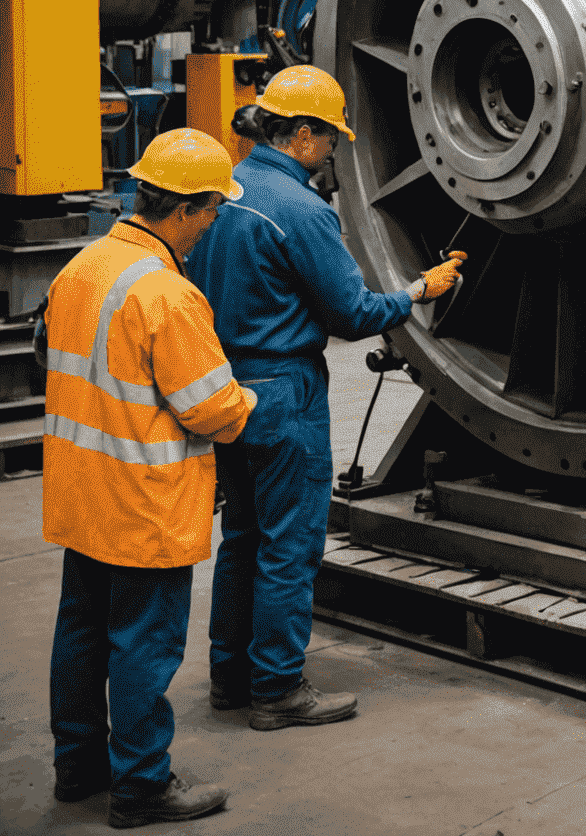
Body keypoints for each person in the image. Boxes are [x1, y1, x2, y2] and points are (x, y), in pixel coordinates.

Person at [186, 64, 467, 730]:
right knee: (290, 547)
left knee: (244, 537)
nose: (337, 149)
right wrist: (420, 291)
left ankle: (231, 675)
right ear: (305, 134)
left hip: (226, 390)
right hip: (285, 396)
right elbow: (352, 313)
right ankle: (279, 689)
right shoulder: (303, 211)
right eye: (332, 137)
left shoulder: (222, 193)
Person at [38, 129, 255, 828]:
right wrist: (250, 401)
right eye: (214, 209)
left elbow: (57, 356)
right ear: (186, 208)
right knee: (143, 644)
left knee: (81, 631)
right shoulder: (167, 294)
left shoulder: (83, 266)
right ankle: (142, 787)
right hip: (144, 503)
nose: (215, 223)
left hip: (83, 490)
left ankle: (78, 767)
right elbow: (212, 407)